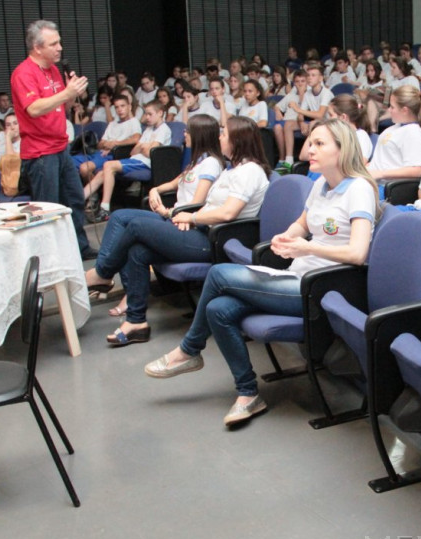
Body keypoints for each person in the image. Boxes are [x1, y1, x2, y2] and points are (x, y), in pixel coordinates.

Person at [143, 119, 379, 427]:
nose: (310, 149)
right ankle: (248, 394)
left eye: (320, 144)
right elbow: (303, 224)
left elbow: (358, 253)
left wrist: (307, 249)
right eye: (311, 142)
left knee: (218, 275)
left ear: (342, 149)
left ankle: (189, 350)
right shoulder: (322, 185)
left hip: (323, 289)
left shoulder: (359, 189)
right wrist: (288, 237)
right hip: (298, 276)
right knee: (218, 309)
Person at [86, 116, 270, 347]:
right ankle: (136, 322)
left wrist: (190, 217)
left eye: (224, 135)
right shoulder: (233, 169)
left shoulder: (250, 171)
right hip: (199, 230)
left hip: (212, 241)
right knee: (137, 250)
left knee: (130, 223)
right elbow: (209, 206)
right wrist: (187, 217)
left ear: (237, 141)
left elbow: (227, 214)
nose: (219, 138)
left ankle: (102, 274)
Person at [10, 19, 94, 259]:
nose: (60, 48)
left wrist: (71, 94)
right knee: (48, 207)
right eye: (53, 44)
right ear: (37, 48)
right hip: (40, 152)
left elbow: (63, 106)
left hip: (61, 147)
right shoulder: (23, 73)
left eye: (59, 42)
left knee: (75, 198)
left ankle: (79, 248)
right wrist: (66, 93)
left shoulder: (54, 70)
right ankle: (49, 256)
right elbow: (34, 109)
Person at [87, 99, 171, 221]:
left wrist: (143, 146)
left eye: (150, 114)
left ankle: (104, 209)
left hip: (145, 164)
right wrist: (145, 146)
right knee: (102, 173)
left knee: (108, 166)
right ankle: (78, 200)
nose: (146, 117)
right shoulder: (148, 129)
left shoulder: (164, 130)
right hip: (135, 160)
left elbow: (151, 153)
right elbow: (133, 151)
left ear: (160, 113)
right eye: (145, 114)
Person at [366, 86, 421, 193]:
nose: (389, 110)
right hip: (373, 181)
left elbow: (418, 170)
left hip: (385, 187)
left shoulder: (413, 132)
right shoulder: (394, 127)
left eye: (392, 107)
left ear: (404, 110)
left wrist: (381, 173)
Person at [74, 92, 141, 185]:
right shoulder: (112, 124)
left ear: (129, 106)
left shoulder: (134, 122)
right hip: (99, 152)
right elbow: (100, 144)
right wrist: (106, 144)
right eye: (117, 107)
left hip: (113, 155)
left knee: (84, 168)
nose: (120, 110)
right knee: (70, 162)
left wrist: (114, 143)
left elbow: (136, 139)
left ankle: (94, 193)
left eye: (122, 106)